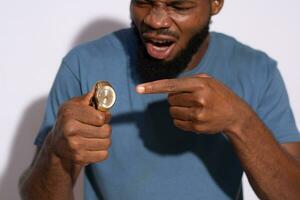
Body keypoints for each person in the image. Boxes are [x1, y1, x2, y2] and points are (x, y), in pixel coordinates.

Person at [19, 0, 300, 199]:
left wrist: (240, 121)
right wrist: (55, 152)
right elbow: (34, 194)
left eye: (178, 6)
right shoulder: (83, 65)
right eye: (144, 1)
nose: (155, 20)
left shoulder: (257, 70)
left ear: (215, 3)